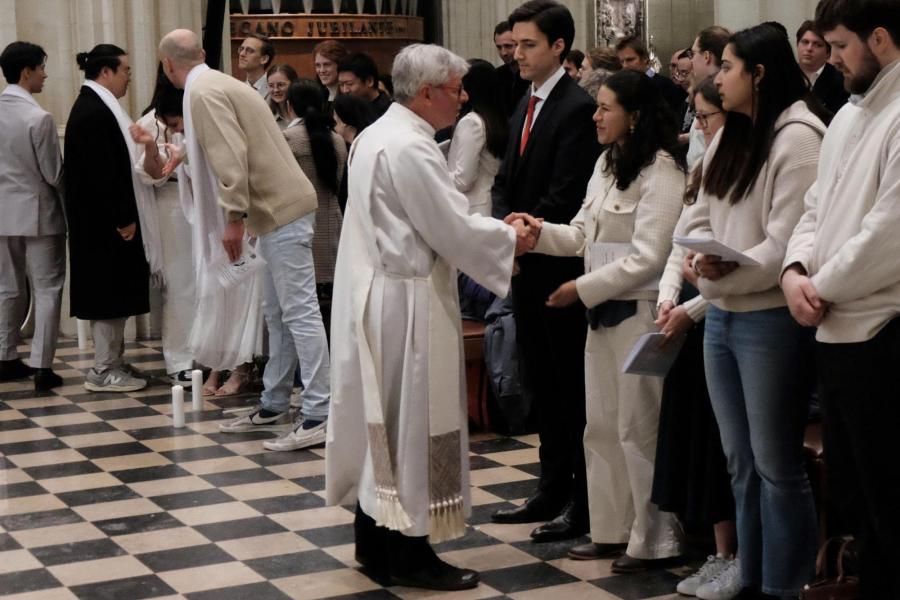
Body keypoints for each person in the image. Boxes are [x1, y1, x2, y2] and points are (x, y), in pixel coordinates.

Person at [325, 42, 525, 592]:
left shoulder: (375, 135)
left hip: (378, 295)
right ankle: (412, 555)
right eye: (457, 89)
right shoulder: (410, 147)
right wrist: (513, 239)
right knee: (412, 425)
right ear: (430, 91)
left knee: (384, 426)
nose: (464, 99)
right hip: (407, 303)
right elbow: (451, 227)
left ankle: (375, 542)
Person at [510, 68, 687, 572]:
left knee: (638, 428)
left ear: (634, 115)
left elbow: (650, 255)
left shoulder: (661, 170)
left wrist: (579, 289)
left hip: (640, 313)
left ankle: (655, 539)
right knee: (602, 426)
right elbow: (583, 234)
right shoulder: (607, 164)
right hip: (601, 314)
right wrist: (536, 232)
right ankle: (611, 530)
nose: (596, 115)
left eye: (606, 106)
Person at [683, 24, 827, 598]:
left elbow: (789, 245)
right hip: (723, 315)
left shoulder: (800, 137)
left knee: (776, 465)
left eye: (728, 67)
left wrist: (726, 271)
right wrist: (699, 261)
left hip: (769, 318)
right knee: (739, 462)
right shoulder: (732, 130)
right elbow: (696, 215)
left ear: (758, 74)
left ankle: (787, 586)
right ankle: (751, 571)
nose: (717, 76)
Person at [159, 30, 331, 444]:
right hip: (273, 211)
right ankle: (274, 402)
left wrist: (233, 217)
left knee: (300, 310)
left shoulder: (202, 92)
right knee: (277, 312)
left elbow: (230, 153)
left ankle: (321, 410)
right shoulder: (217, 82)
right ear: (200, 54)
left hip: (277, 209)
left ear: (167, 66)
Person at [782, 1, 900, 597]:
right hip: (831, 329)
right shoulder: (851, 116)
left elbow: (888, 235)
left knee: (889, 502)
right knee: (852, 496)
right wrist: (795, 269)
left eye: (840, 45)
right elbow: (813, 209)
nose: (829, 58)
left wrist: (816, 288)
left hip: (883, 333)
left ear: (879, 38)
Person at [490, 0, 601, 544]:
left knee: (567, 388)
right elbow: (504, 181)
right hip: (522, 263)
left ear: (559, 47)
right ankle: (550, 486)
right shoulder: (525, 102)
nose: (518, 54)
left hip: (558, 268)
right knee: (541, 384)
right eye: (515, 44)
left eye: (529, 44)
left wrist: (518, 238)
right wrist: (498, 237)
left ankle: (581, 501)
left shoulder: (577, 107)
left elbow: (566, 195)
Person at [653, 75, 737, 599]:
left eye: (706, 118)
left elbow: (743, 263)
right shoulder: (704, 166)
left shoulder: (749, 162)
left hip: (717, 314)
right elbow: (679, 242)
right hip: (690, 316)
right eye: (697, 117)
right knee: (698, 447)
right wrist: (667, 298)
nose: (698, 129)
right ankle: (720, 550)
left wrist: (689, 308)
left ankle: (739, 556)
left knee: (724, 450)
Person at [65, 44, 151, 393]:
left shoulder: (98, 106)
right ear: (106, 72)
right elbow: (105, 174)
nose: (129, 76)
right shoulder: (94, 112)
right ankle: (103, 368)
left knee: (117, 291)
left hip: (103, 222)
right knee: (108, 292)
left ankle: (113, 360)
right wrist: (123, 218)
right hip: (104, 225)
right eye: (126, 70)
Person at [0, 41, 65, 390]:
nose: (45, 74)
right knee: (48, 287)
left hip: (1, 212)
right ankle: (42, 365)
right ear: (27, 72)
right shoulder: (39, 118)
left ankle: (5, 356)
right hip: (39, 212)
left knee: (7, 287)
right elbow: (54, 174)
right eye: (41, 67)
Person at [129, 67, 197, 388]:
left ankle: (207, 353)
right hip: (172, 204)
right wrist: (156, 151)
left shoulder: (198, 109)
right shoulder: (151, 121)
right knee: (181, 283)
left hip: (202, 203)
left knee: (207, 282)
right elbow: (150, 175)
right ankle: (180, 358)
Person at [448, 59, 508, 217]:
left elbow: (463, 179)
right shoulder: (494, 119)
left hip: (473, 208)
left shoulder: (471, 122)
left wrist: (434, 176)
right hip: (489, 204)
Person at [687, 26, 731, 168]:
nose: (691, 61)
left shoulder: (719, 93)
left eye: (693, 54)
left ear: (706, 56)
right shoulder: (703, 89)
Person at [615, 35, 686, 113]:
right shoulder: (622, 88)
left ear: (645, 58)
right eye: (622, 61)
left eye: (630, 60)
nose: (625, 66)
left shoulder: (664, 86)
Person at [333, 93, 378, 214]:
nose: (334, 128)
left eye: (335, 121)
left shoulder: (361, 149)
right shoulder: (366, 142)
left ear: (344, 121)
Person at [796, 19, 850, 116]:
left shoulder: (841, 81)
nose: (809, 48)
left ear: (828, 53)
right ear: (797, 45)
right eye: (805, 42)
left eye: (817, 45)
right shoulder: (784, 75)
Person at [337, 52, 391, 117]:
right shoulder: (346, 108)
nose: (345, 90)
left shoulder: (388, 112)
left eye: (349, 84)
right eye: (341, 85)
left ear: (369, 81)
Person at [494, 20, 530, 116]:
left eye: (508, 46)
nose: (503, 53)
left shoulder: (533, 76)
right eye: (499, 47)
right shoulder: (496, 76)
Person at [313, 39, 348, 112]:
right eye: (318, 65)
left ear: (340, 65)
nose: (322, 70)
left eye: (327, 64)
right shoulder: (315, 96)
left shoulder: (349, 96)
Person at [237, 33, 274, 100]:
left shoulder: (274, 89)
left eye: (249, 51)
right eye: (241, 49)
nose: (242, 54)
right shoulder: (237, 90)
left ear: (264, 59)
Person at [267, 63, 299, 130]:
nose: (275, 90)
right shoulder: (267, 114)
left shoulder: (303, 113)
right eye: (271, 85)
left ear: (294, 84)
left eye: (281, 85)